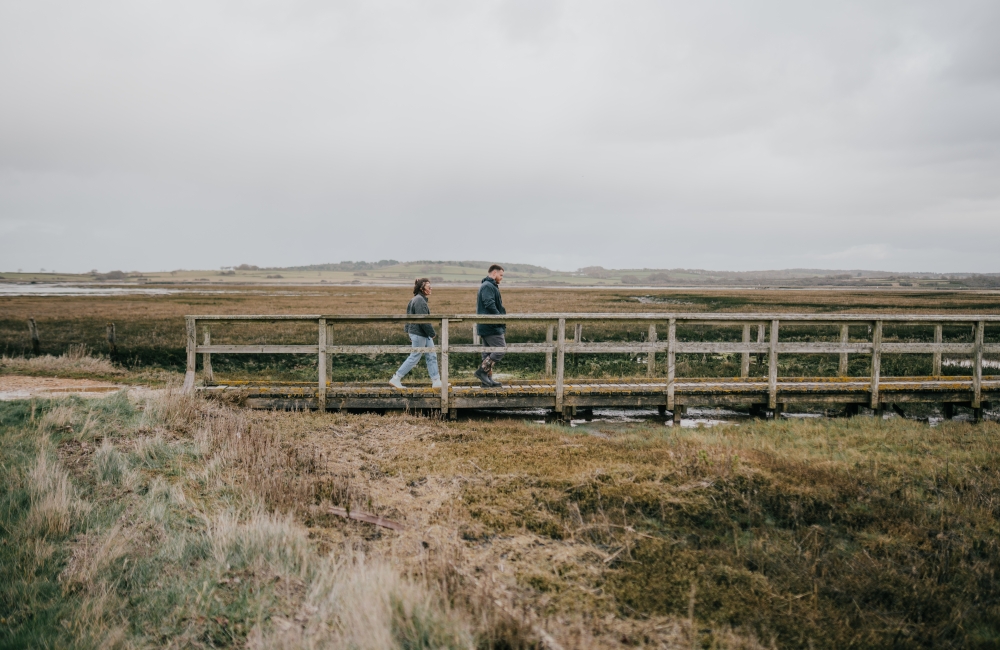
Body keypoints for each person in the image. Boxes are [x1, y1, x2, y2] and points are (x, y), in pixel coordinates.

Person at [389, 278, 442, 389]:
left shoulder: (417, 299)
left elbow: (409, 315)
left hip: (421, 333)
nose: (431, 288)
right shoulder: (419, 300)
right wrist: (432, 333)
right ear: (422, 289)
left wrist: (408, 331)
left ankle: (436, 381)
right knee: (415, 356)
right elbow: (422, 320)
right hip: (419, 333)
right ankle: (396, 378)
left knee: (431, 355)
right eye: (429, 286)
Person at [474, 264, 506, 387]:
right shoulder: (488, 286)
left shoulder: (488, 285)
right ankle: (481, 372)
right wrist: (499, 318)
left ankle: (487, 381)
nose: (502, 278)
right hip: (491, 325)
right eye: (501, 275)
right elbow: (489, 304)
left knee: (488, 353)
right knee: (500, 349)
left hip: (487, 325)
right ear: (494, 273)